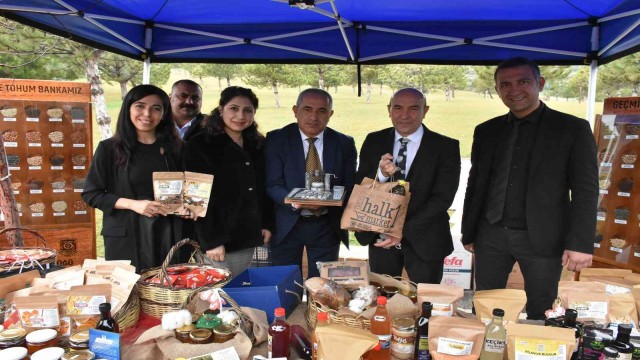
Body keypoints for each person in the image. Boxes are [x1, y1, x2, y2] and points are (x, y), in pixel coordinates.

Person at [461, 57, 598, 320]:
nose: (514, 90)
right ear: (498, 89)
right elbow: (475, 184)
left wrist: (580, 243)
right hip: (491, 235)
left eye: (523, 81)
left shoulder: (572, 129)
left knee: (543, 307)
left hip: (543, 238)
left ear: (540, 83)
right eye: (505, 84)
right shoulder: (486, 131)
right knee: (487, 306)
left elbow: (586, 190)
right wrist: (470, 231)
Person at [82, 84, 194, 272]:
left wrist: (190, 207)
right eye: (140, 106)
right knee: (131, 294)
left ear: (165, 113)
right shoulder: (109, 149)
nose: (147, 114)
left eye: (156, 108)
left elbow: (192, 190)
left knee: (169, 291)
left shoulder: (178, 149)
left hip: (169, 235)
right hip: (127, 237)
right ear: (128, 109)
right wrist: (135, 204)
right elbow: (92, 194)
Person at [355, 88, 461, 284]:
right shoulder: (374, 140)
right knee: (383, 299)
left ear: (425, 110)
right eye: (398, 108)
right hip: (381, 238)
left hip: (425, 238)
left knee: (425, 303)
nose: (404, 115)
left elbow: (443, 198)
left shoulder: (445, 146)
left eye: (413, 108)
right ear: (389, 109)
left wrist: (400, 230)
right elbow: (361, 186)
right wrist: (381, 175)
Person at [265, 88, 357, 278]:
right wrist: (295, 201)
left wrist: (332, 200)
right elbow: (273, 183)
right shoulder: (276, 139)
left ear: (330, 114)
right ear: (295, 110)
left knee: (323, 288)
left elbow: (350, 185)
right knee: (286, 285)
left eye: (322, 111)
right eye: (307, 109)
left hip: (326, 225)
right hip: (287, 224)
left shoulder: (344, 143)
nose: (314, 117)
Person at [183, 86, 274, 278]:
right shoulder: (200, 144)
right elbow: (195, 198)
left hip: (246, 233)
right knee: (217, 295)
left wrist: (266, 223)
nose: (240, 115)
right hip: (218, 239)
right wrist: (211, 240)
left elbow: (262, 188)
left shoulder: (256, 144)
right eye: (234, 108)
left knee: (238, 292)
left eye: (247, 110)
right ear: (221, 109)